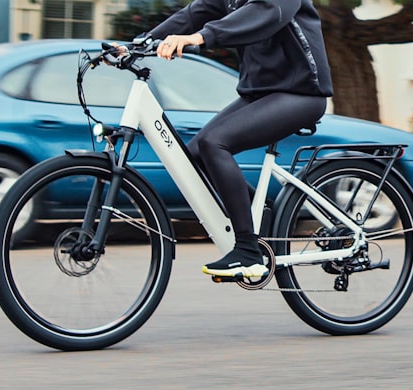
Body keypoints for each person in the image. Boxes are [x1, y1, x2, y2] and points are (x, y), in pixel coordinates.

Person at [140, 0, 334, 278]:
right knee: (194, 154)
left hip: (301, 93)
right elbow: (194, 14)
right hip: (260, 93)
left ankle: (247, 251)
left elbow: (267, 11)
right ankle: (263, 222)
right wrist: (140, 44)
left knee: (214, 143)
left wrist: (201, 37)